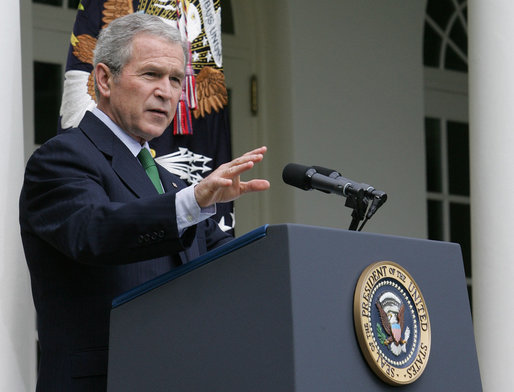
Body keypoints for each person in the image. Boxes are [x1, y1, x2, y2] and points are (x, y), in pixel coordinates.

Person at [19, 13, 269, 392]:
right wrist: (193, 199)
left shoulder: (173, 184)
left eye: (176, 79)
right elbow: (94, 231)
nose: (167, 92)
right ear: (104, 79)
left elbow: (224, 270)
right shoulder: (62, 158)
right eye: (151, 75)